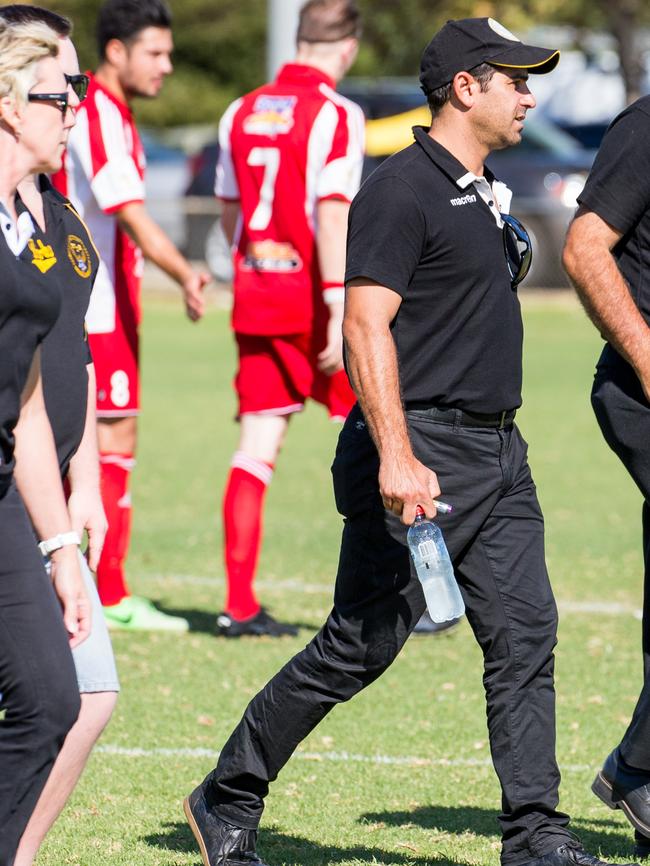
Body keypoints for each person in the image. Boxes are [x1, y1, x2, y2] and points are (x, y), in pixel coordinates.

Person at [183, 18, 636, 866]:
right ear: (467, 87)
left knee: (526, 635)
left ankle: (535, 835)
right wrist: (397, 452)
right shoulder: (402, 189)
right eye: (516, 80)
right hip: (420, 449)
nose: (529, 96)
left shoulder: (481, 184)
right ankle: (226, 794)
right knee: (361, 644)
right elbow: (363, 326)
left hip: (499, 453)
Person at [0, 7, 120, 863]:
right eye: (61, 91)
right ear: (9, 101)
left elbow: (39, 389)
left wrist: (67, 534)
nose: (77, 106)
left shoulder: (45, 223)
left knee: (67, 693)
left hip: (18, 483)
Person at [53, 0, 210, 632]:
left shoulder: (111, 114)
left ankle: (97, 585)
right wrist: (186, 271)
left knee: (110, 443)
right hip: (95, 307)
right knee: (104, 443)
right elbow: (130, 213)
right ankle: (104, 591)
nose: (167, 66)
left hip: (112, 304)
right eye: (155, 52)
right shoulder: (99, 115)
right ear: (115, 51)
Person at [214, 0, 364, 638]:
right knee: (382, 434)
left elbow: (228, 213)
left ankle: (238, 605)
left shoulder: (241, 110)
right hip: (315, 304)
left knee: (254, 453)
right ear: (347, 48)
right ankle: (412, 593)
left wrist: (249, 270)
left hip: (257, 296)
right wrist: (337, 311)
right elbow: (334, 217)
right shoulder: (337, 114)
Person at [562, 90, 650, 859]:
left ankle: (640, 766)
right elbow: (586, 246)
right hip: (640, 390)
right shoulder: (648, 124)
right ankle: (639, 768)